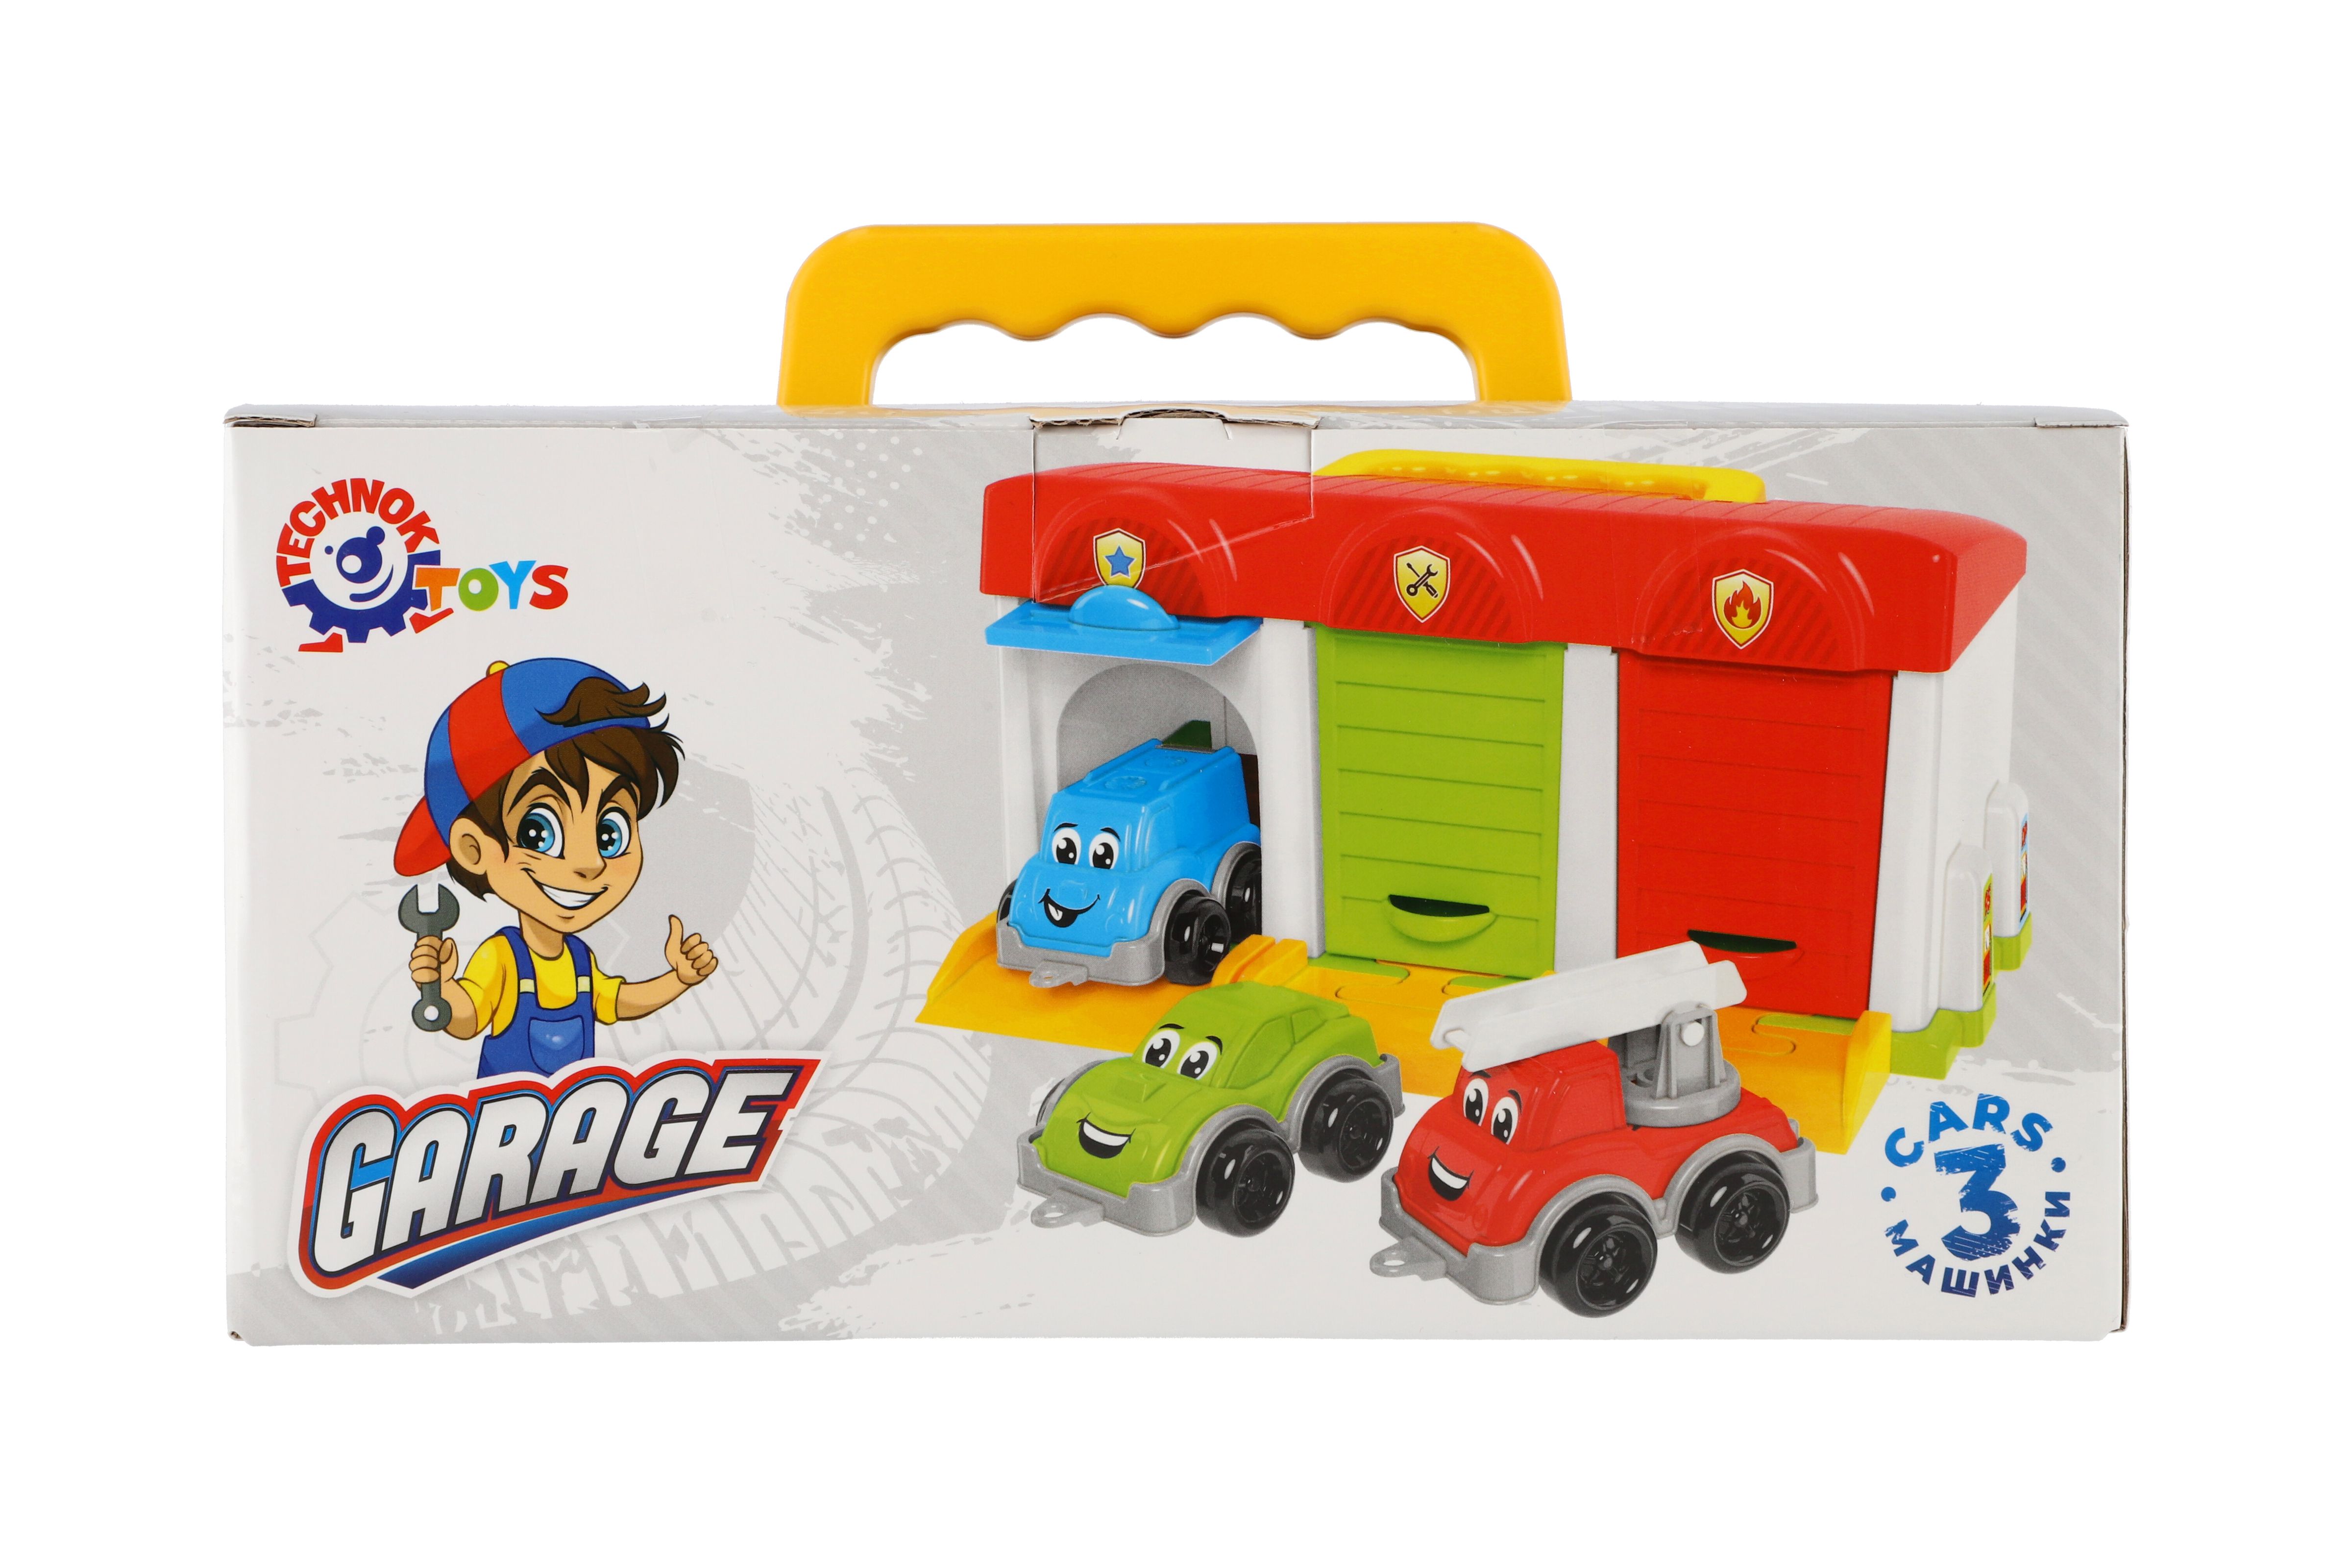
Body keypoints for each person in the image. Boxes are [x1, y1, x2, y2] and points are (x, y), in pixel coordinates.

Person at [393, 657, 719, 1078]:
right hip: (505, 1116)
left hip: (578, 1114)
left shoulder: (580, 960)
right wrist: (441, 987)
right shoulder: (502, 958)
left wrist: (680, 979)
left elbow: (617, 1002)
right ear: (473, 849)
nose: (590, 863)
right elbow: (469, 1018)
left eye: (610, 833)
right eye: (538, 832)